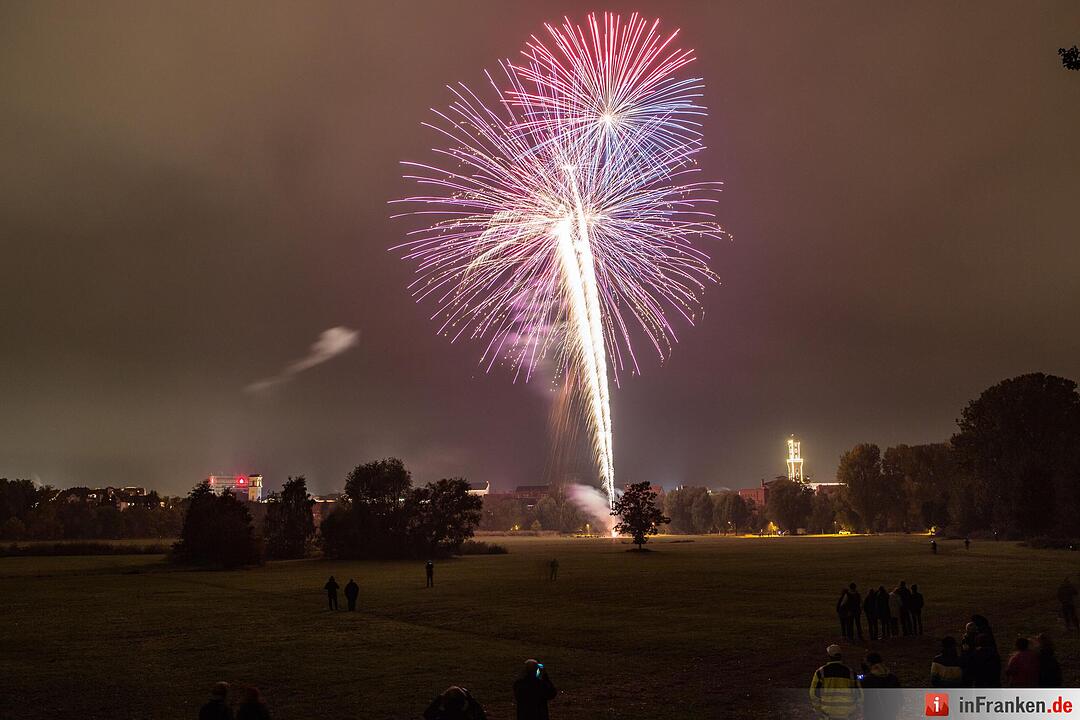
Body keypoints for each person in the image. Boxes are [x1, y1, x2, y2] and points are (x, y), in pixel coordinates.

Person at [809, 645, 861, 719]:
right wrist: (855, 710)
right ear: (840, 656)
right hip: (847, 714)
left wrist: (819, 709)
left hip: (827, 713)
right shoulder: (851, 673)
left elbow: (813, 694)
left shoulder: (820, 672)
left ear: (829, 656)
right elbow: (859, 694)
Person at [859, 651, 900, 720]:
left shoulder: (868, 680)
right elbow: (899, 698)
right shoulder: (893, 678)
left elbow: (863, 700)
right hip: (890, 714)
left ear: (869, 664)